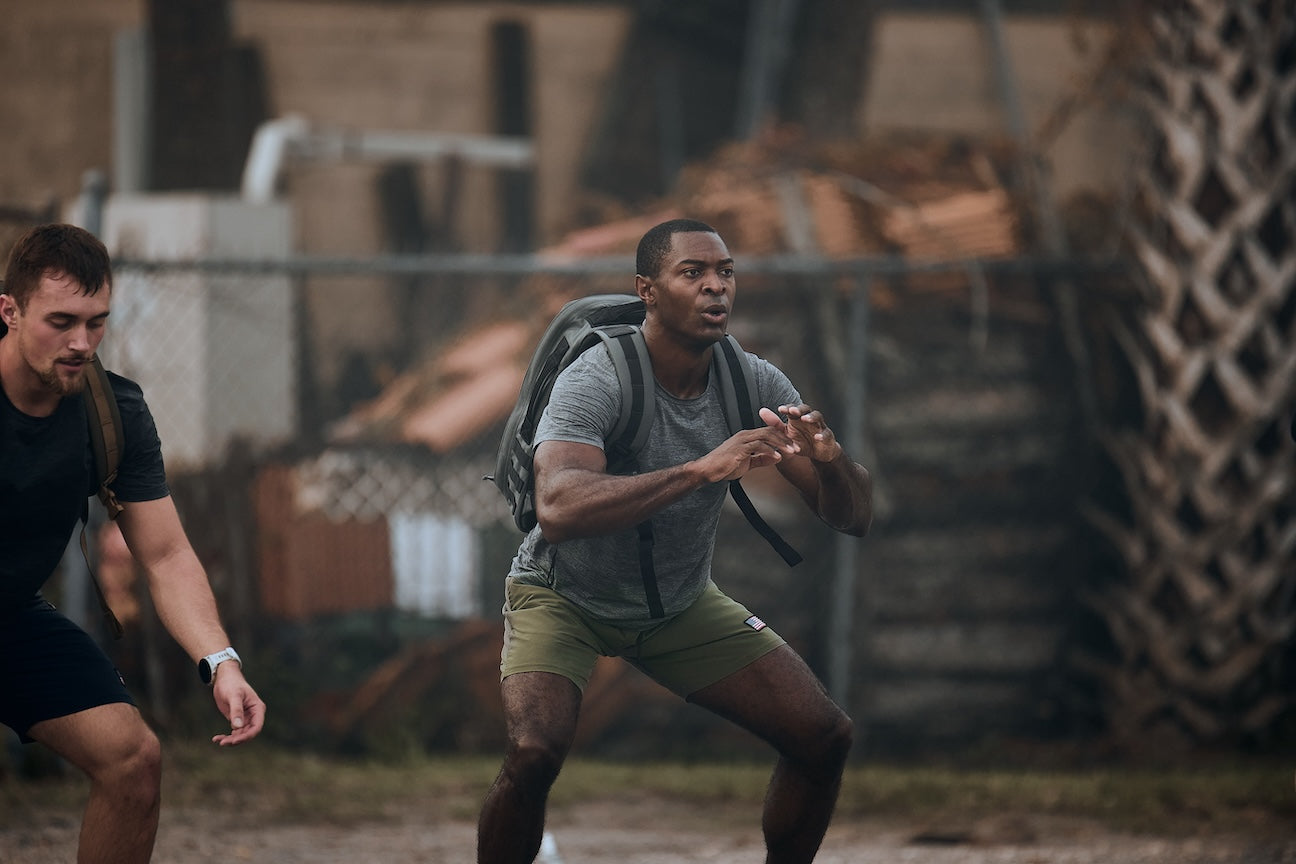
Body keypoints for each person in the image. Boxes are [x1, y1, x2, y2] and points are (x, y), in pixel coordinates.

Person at [477, 218, 873, 864]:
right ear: (649, 291)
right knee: (532, 753)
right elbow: (559, 507)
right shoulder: (598, 377)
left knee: (824, 736)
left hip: (679, 606)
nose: (716, 287)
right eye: (693, 273)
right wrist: (699, 470)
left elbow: (852, 517)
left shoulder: (753, 382)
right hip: (563, 596)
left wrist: (831, 463)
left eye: (725, 273)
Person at [0, 223, 266, 863]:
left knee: (133, 759)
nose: (80, 342)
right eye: (61, 322)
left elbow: (166, 556)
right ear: (9, 311)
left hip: (11, 617)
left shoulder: (111, 412)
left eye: (96, 323)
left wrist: (221, 662)